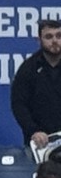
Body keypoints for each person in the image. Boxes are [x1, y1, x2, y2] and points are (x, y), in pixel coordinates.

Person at [11, 19, 61, 153]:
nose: (55, 41)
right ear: (39, 40)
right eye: (49, 37)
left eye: (59, 36)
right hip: (40, 142)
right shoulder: (28, 69)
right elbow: (19, 104)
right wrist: (33, 131)